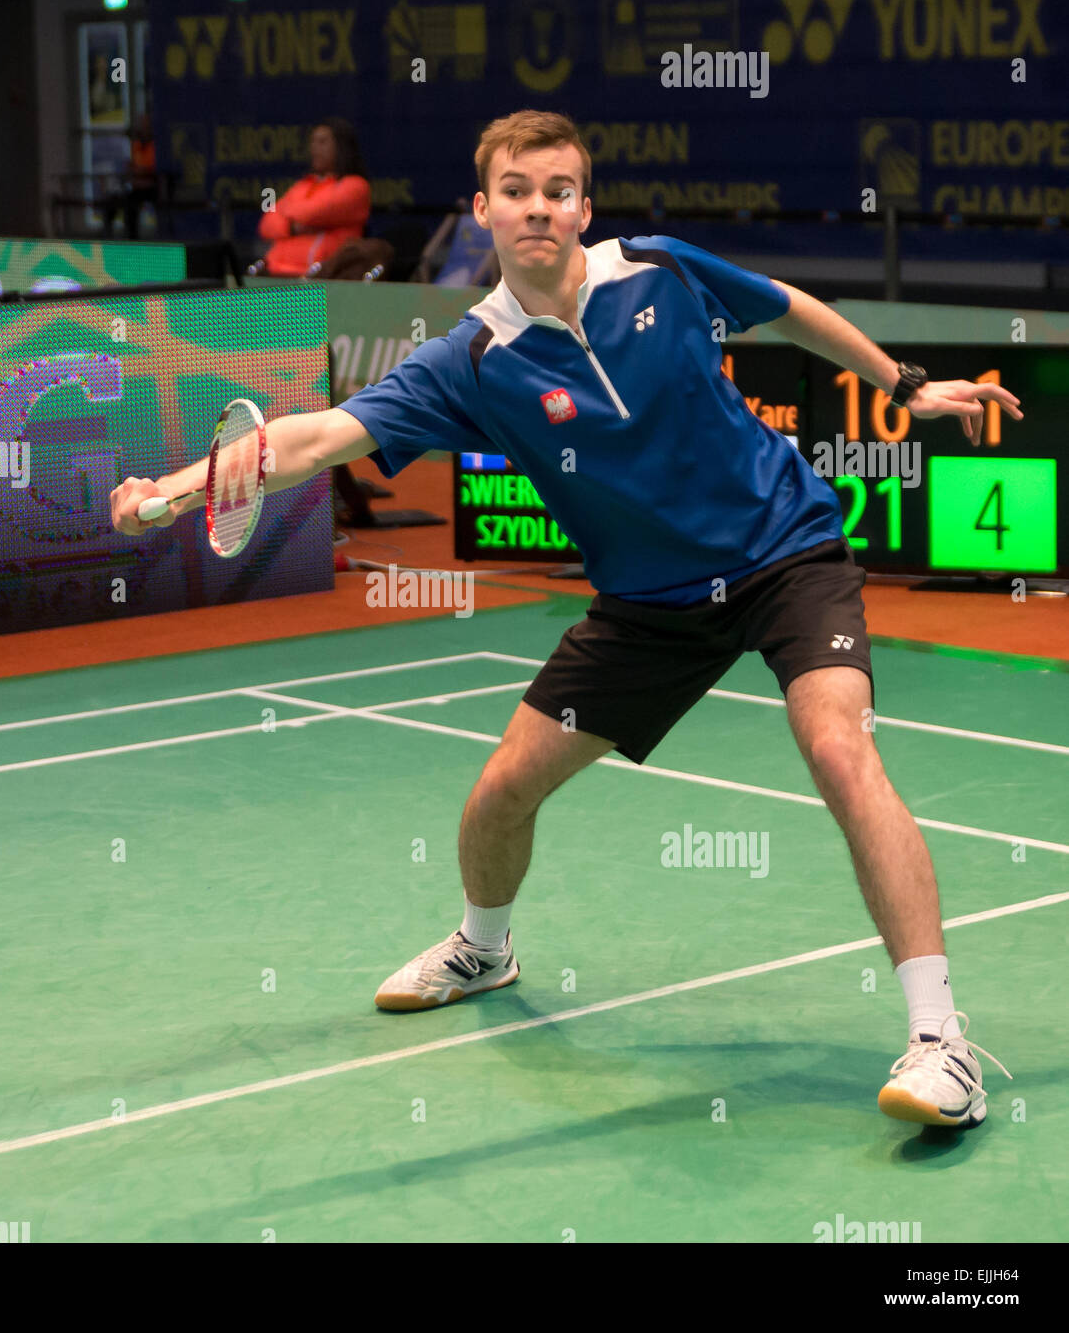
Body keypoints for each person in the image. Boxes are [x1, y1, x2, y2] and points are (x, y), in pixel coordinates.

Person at [110, 109, 1021, 1131]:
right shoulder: (473, 361)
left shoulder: (659, 270)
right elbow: (322, 434)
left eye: (558, 189)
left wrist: (902, 381)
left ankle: (943, 1040)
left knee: (838, 745)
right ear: (482, 209)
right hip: (648, 606)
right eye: (517, 190)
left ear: (584, 206)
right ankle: (484, 947)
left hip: (784, 553)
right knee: (502, 789)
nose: (538, 207)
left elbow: (788, 307)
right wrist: (179, 488)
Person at [255, 118, 370, 277]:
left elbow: (316, 212)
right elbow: (267, 224)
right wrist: (292, 227)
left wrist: (288, 213)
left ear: (341, 147)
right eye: (313, 142)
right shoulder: (303, 185)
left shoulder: (355, 186)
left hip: (321, 281)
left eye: (322, 142)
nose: (315, 148)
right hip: (276, 273)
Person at [103, 112, 157, 240]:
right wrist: (136, 173)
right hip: (135, 186)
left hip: (152, 187)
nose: (143, 128)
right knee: (114, 201)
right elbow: (130, 167)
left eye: (146, 125)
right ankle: (115, 237)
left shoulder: (156, 146)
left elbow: (151, 170)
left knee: (133, 202)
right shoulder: (135, 146)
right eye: (141, 125)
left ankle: (135, 238)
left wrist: (141, 172)